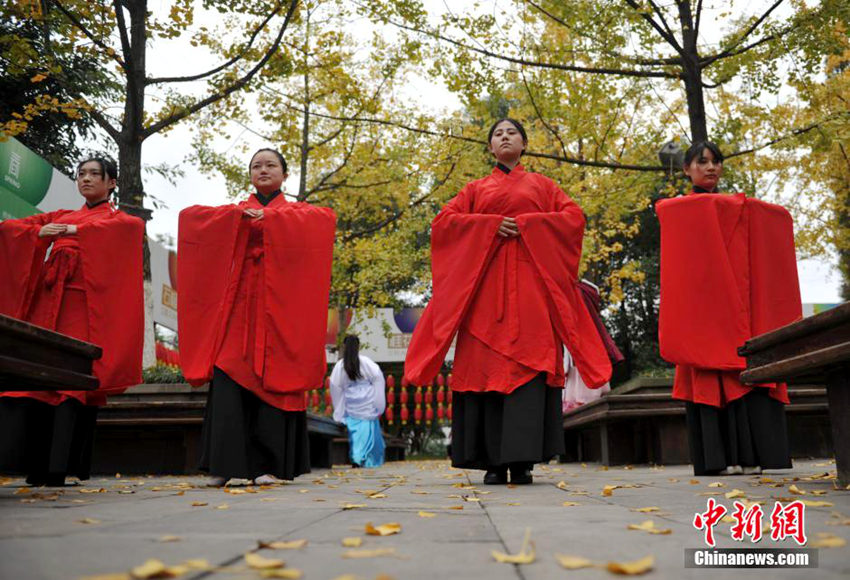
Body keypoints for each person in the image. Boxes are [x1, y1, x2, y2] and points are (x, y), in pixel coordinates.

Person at [404, 119, 612, 485]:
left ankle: (523, 461)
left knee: (530, 370)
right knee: (485, 372)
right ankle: (493, 463)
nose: (504, 137)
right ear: (489, 148)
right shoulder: (474, 189)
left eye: (511, 133)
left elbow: (573, 219)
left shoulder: (543, 186)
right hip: (484, 295)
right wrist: (487, 227)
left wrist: (529, 224)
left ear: (524, 143)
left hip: (532, 293)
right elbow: (444, 224)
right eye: (497, 134)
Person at [178, 148, 335, 486]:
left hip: (279, 311)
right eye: (256, 166)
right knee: (228, 375)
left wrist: (274, 220)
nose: (263, 170)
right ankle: (222, 464)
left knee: (275, 380)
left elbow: (325, 219)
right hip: (239, 310)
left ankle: (271, 465)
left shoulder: (297, 212)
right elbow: (192, 217)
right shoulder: (236, 211)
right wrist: (236, 221)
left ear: (285, 174)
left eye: (271, 165)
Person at [656, 141, 802, 476]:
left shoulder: (742, 210)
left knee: (744, 367)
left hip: (740, 306)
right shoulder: (681, 210)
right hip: (705, 308)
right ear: (687, 169)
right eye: (702, 162)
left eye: (716, 162)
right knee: (711, 369)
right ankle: (721, 458)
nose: (710, 168)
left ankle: (752, 456)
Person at [0, 157, 144, 486]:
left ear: (112, 183)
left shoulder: (116, 218)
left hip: (83, 306)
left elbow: (129, 229)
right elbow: (11, 229)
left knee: (70, 383)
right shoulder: (63, 215)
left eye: (95, 174)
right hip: (49, 306)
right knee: (36, 380)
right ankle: (32, 464)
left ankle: (59, 467)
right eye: (82, 174)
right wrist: (39, 232)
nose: (87, 179)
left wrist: (75, 230)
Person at [329, 335, 386, 468]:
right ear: (358, 346)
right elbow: (378, 378)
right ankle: (364, 458)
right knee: (368, 431)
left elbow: (335, 387)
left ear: (344, 347)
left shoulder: (339, 366)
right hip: (368, 403)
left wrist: (339, 408)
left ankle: (357, 456)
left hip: (351, 405)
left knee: (356, 433)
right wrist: (379, 404)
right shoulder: (367, 362)